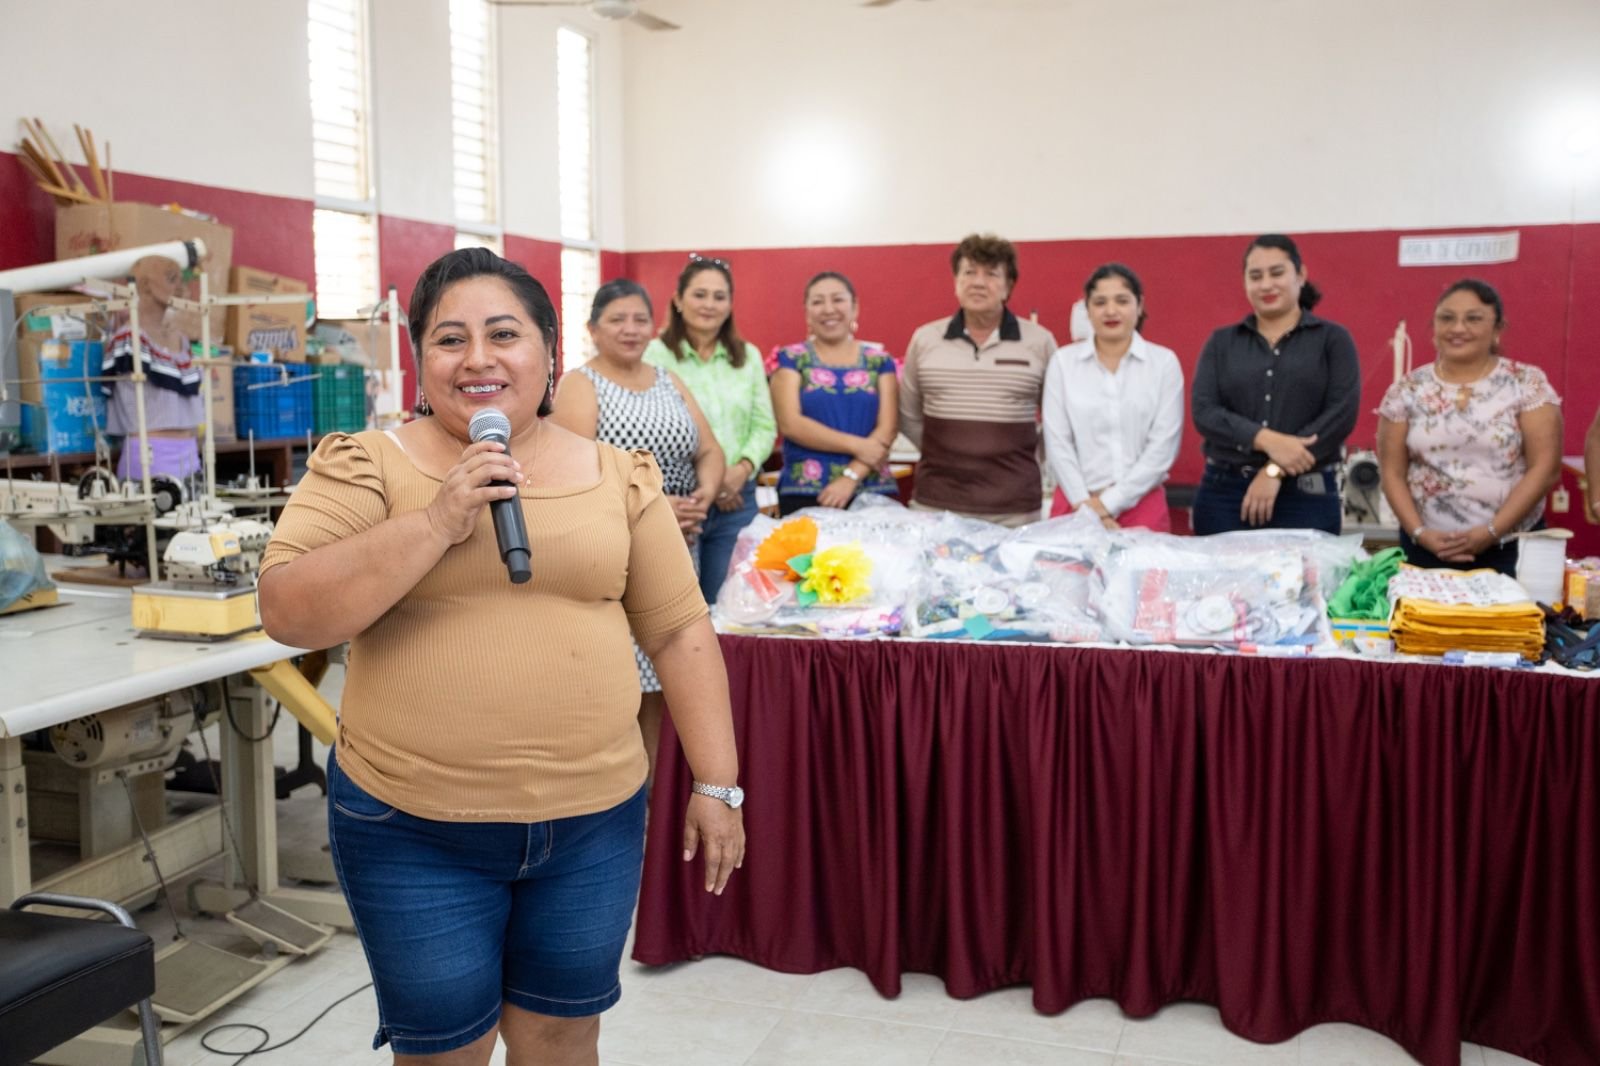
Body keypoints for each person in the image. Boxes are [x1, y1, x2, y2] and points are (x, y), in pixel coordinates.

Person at [257, 248, 745, 1066]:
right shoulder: (369, 464)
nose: (478, 359)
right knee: (448, 1049)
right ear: (421, 360)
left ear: (550, 351)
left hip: (593, 824)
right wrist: (436, 522)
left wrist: (716, 784)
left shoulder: (617, 476)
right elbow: (288, 611)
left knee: (562, 1038)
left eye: (504, 335)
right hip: (413, 828)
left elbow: (679, 633)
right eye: (450, 339)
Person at [550, 278, 722, 781]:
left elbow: (709, 449)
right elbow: (573, 471)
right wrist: (656, 507)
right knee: (627, 677)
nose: (630, 329)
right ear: (593, 329)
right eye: (617, 320)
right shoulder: (581, 384)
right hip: (618, 550)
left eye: (640, 320)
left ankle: (661, 796)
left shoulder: (669, 379)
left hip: (682, 545)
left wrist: (705, 494)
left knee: (673, 672)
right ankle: (628, 794)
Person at [1377, 279, 1562, 575]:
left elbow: (1545, 468)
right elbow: (1392, 472)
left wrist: (1492, 531)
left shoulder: (1526, 384)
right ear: (1434, 327)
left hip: (1510, 548)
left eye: (1473, 319)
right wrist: (1420, 534)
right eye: (1447, 318)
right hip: (1425, 549)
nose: (1458, 328)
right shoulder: (1407, 390)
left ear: (1497, 328)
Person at [1190, 233, 1360, 535]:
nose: (1266, 285)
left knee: (1309, 569)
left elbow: (1340, 415)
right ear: (1245, 282)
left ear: (1301, 274)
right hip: (1225, 495)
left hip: (1307, 495)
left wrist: (1274, 470)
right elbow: (1205, 412)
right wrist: (1266, 440)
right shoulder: (1221, 343)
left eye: (1277, 273)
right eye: (1256, 276)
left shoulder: (1333, 339)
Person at [900, 233, 1058, 527]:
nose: (978, 282)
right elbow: (908, 414)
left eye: (991, 274)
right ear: (956, 281)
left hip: (1015, 510)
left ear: (1009, 285)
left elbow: (1058, 419)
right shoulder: (925, 339)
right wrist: (945, 452)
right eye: (969, 272)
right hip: (935, 506)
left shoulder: (1039, 341)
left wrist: (1024, 456)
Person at [643, 255, 775, 601]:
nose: (709, 305)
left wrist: (739, 471)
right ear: (678, 299)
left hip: (737, 499)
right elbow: (646, 426)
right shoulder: (652, 355)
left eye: (719, 297)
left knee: (733, 605)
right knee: (677, 606)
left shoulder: (747, 356)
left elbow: (764, 426)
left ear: (730, 305)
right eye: (699, 294)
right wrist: (710, 484)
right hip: (676, 501)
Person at [1042, 263, 1183, 531]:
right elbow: (1058, 443)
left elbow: (1163, 447)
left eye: (1122, 300)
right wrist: (1087, 507)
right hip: (1074, 503)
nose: (1110, 311)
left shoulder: (1163, 363)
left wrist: (1107, 504)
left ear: (1139, 305)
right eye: (1100, 302)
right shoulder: (1063, 363)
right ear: (1087, 309)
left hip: (1141, 505)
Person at [769, 271, 900, 515]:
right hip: (804, 491)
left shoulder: (880, 361)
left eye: (838, 299)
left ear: (855, 307)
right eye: (818, 302)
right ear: (807, 311)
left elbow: (888, 428)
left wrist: (851, 476)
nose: (828, 309)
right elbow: (790, 424)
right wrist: (859, 446)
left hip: (872, 490)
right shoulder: (791, 359)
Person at [102, 254, 203, 482]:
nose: (180, 287)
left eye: (180, 280)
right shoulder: (129, 339)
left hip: (190, 453)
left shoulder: (181, 340)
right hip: (151, 455)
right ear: (146, 284)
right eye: (171, 278)